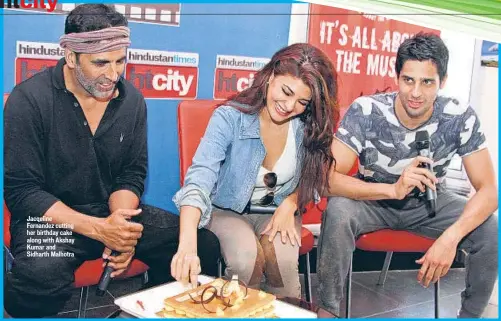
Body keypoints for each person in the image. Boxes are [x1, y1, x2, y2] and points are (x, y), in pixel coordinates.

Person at [3, 4, 220, 318]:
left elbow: (131, 174)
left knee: (204, 245)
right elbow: (23, 192)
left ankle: (155, 310)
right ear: (71, 56)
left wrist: (122, 228)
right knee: (39, 275)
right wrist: (99, 230)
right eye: (100, 63)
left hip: (109, 213)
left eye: (120, 61)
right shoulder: (29, 99)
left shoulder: (131, 100)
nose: (113, 74)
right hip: (52, 222)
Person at [317, 32, 498, 318]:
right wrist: (392, 190)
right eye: (408, 80)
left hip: (429, 205)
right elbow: (326, 180)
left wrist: (450, 239)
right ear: (397, 76)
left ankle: (471, 316)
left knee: (491, 228)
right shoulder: (367, 111)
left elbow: (489, 190)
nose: (416, 93)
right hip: (372, 199)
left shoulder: (460, 116)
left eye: (427, 82)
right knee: (338, 211)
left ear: (443, 82)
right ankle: (328, 311)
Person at [171, 43, 339, 298]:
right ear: (271, 76)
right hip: (226, 211)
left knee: (283, 269)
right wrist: (187, 243)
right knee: (245, 261)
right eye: (285, 91)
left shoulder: (306, 127)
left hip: (279, 212)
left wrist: (292, 203)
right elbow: (199, 179)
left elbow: (316, 178)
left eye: (302, 101)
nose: (289, 105)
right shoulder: (229, 118)